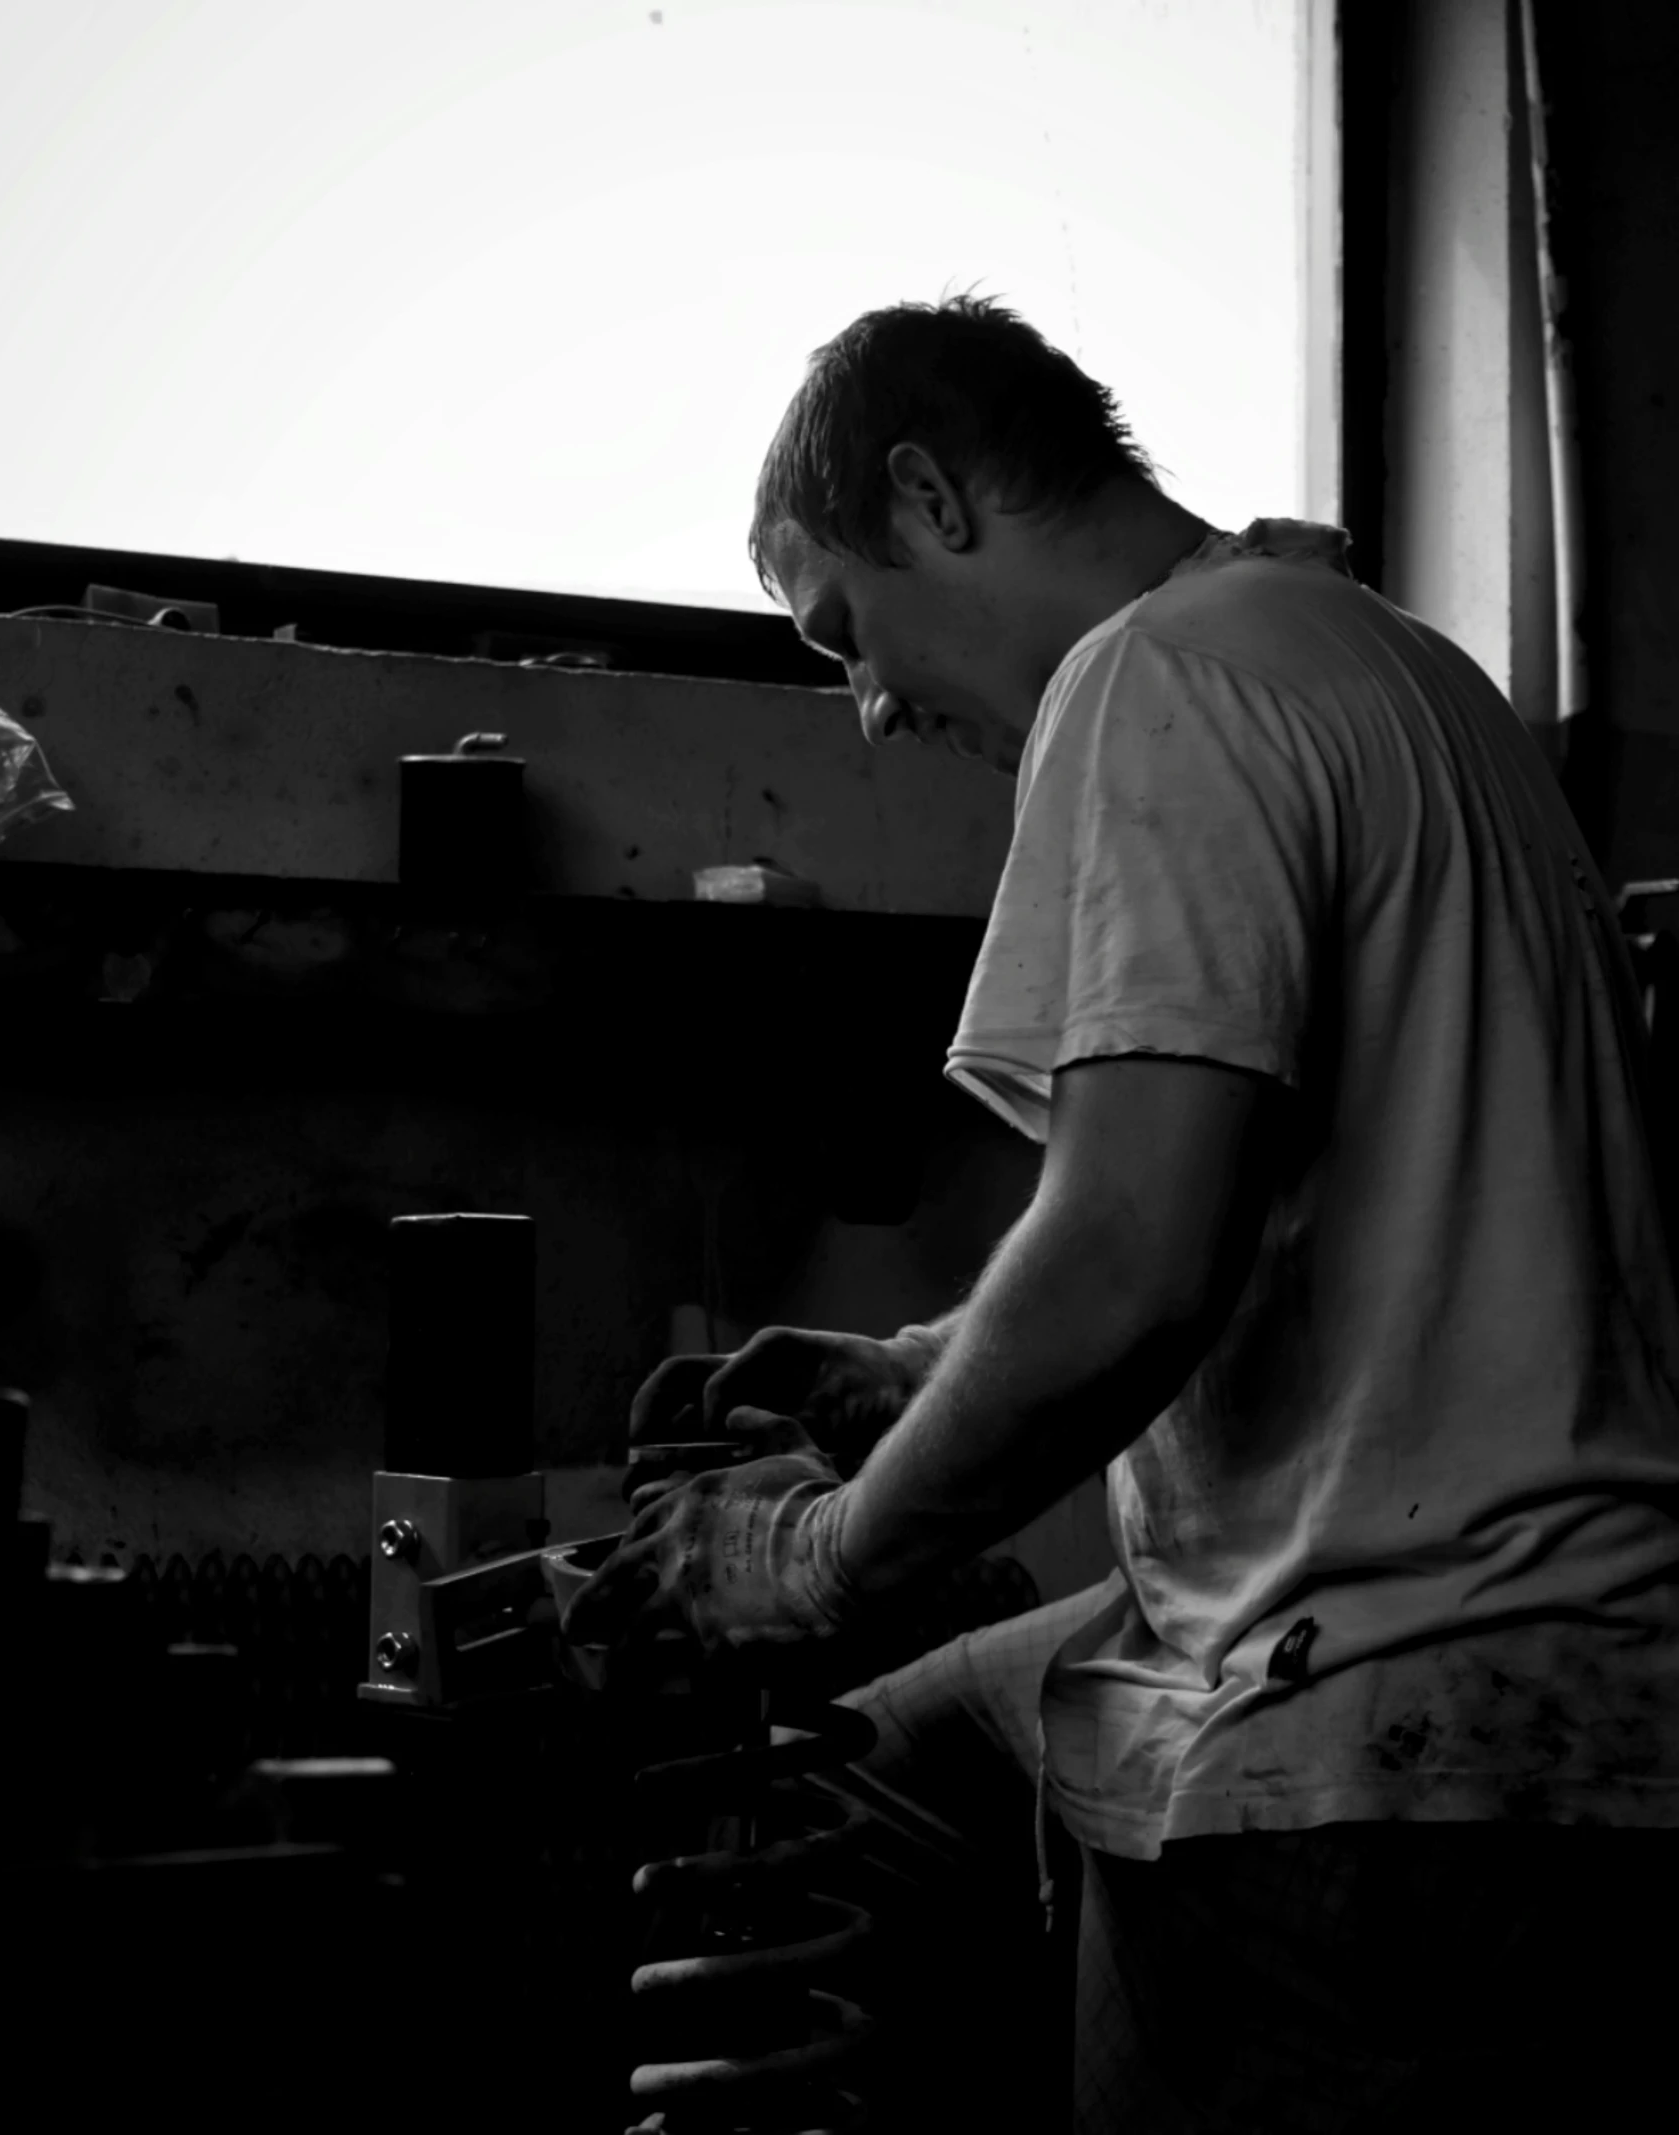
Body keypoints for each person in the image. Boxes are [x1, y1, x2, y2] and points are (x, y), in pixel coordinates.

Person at [564, 294, 1679, 2131]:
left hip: (1389, 1713)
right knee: (896, 1760)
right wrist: (915, 1373)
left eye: (844, 630)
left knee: (872, 1694)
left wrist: (820, 1553)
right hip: (1571, 1653)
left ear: (931, 495)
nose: (864, 706)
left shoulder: (1154, 676)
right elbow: (1270, 1199)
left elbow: (1131, 1264)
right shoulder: (1394, 667)